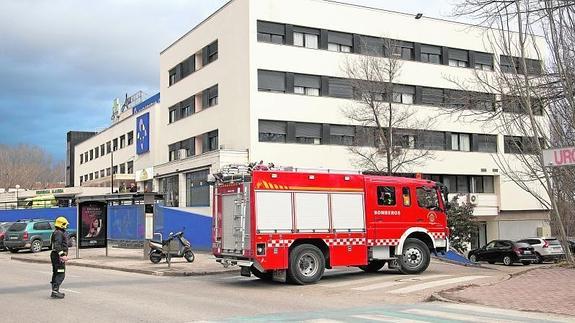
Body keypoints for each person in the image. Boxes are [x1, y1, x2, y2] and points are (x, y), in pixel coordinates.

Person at [50, 216, 69, 299]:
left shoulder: (58, 232)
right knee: (60, 273)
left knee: (56, 272)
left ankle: (55, 291)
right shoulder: (59, 233)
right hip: (58, 257)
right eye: (65, 224)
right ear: (62, 224)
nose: (66, 226)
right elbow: (57, 245)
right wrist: (62, 255)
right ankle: (55, 291)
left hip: (56, 255)